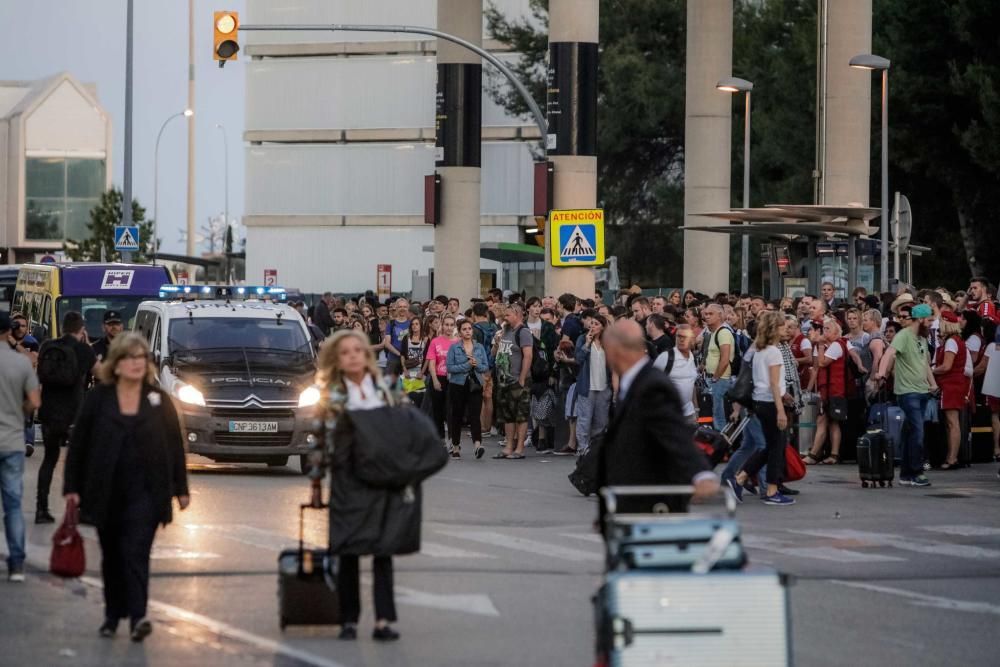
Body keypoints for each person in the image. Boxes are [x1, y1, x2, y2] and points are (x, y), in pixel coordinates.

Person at [63, 333, 190, 640]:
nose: (137, 363)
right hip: (105, 491)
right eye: (130, 357)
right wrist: (72, 486)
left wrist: (181, 489)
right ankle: (112, 615)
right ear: (116, 364)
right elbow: (79, 444)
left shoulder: (158, 400)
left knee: (135, 552)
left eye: (141, 357)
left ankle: (137, 617)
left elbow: (175, 445)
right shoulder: (99, 398)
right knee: (112, 556)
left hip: (146, 493)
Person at [310, 331, 410, 642]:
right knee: (348, 550)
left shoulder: (387, 388)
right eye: (345, 352)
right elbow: (319, 439)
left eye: (358, 350)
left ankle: (383, 621)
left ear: (367, 355)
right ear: (336, 360)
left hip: (383, 480)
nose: (353, 355)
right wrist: (316, 482)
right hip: (347, 480)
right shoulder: (330, 395)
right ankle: (349, 619)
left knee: (383, 551)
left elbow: (406, 428)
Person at [596, 320, 717, 520]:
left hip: (652, 502)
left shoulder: (652, 386)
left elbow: (674, 432)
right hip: (629, 497)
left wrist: (701, 473)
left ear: (617, 350)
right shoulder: (632, 381)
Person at [36, 311, 98, 524]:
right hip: (74, 416)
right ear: (82, 330)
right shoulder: (84, 349)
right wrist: (88, 348)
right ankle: (81, 509)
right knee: (80, 461)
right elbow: (101, 374)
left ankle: (41, 509)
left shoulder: (47, 346)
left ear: (63, 328)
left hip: (48, 413)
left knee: (49, 460)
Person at [874, 303, 938, 487]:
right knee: (918, 432)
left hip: (922, 390)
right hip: (908, 392)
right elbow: (889, 354)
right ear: (920, 319)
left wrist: (932, 383)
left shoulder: (922, 338)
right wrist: (881, 372)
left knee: (910, 432)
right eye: (929, 320)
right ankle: (917, 472)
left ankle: (906, 473)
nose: (931, 324)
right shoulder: (903, 336)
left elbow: (924, 363)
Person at [733, 312, 793, 505]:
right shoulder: (774, 352)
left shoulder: (759, 350)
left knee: (770, 446)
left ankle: (741, 477)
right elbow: (774, 384)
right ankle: (772, 491)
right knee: (776, 447)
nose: (786, 329)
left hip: (760, 401)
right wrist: (781, 410)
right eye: (782, 326)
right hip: (770, 402)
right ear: (774, 329)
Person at [0, 312, 41, 582]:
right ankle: (16, 564)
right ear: (9, 331)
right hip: (13, 441)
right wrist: (19, 411)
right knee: (13, 505)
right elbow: (35, 402)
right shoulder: (21, 363)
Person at [492, 304, 534, 459]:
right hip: (503, 379)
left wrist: (522, 378)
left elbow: (528, 356)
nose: (505, 318)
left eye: (508, 315)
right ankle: (508, 446)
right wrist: (497, 342)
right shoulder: (505, 331)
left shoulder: (523, 332)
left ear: (517, 315)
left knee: (520, 415)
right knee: (507, 415)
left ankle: (519, 448)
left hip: (517, 379)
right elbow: (494, 353)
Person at [445, 321, 489, 459]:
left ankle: (477, 445)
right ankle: (455, 446)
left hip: (475, 384)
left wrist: (476, 364)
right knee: (457, 415)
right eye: (464, 329)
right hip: (458, 384)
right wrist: (467, 365)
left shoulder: (479, 347)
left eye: (469, 328)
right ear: (460, 332)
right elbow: (450, 367)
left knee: (475, 415)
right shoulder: (454, 347)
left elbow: (485, 367)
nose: (468, 331)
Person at [932, 311, 969, 470]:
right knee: (951, 422)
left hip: (951, 385)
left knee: (952, 422)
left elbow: (947, 366)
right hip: (954, 384)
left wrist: (930, 371)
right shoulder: (956, 340)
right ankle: (951, 456)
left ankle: (952, 458)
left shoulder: (951, 342)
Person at [574, 314, 613, 456]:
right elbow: (578, 359)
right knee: (584, 419)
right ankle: (582, 448)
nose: (592, 326)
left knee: (601, 421)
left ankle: (596, 448)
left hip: (604, 387)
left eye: (596, 324)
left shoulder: (607, 342)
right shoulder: (582, 338)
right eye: (591, 323)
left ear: (603, 327)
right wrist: (587, 344)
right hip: (587, 386)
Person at [652, 324, 699, 421]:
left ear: (692, 339)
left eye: (685, 337)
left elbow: (691, 384)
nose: (681, 340)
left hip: (689, 413)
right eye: (679, 336)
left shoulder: (692, 357)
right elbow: (650, 383)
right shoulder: (666, 357)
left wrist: (696, 408)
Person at [702, 303, 735, 432]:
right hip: (715, 379)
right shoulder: (714, 333)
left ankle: (721, 440)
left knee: (719, 416)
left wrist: (715, 378)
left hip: (720, 379)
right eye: (706, 314)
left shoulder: (723, 333)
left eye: (711, 314)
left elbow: (725, 359)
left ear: (720, 315)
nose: (707, 316)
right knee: (715, 414)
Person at [424, 315, 456, 441]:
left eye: (451, 325)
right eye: (446, 324)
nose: (449, 328)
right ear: (442, 326)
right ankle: (440, 437)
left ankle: (453, 439)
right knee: (437, 409)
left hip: (454, 379)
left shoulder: (458, 342)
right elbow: (431, 363)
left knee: (452, 409)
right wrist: (435, 380)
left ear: (454, 327)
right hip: (438, 377)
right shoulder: (435, 341)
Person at [381, 298, 412, 382]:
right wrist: (400, 354)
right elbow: (387, 343)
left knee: (408, 385)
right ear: (396, 308)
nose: (402, 309)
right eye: (400, 307)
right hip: (393, 359)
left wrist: (404, 356)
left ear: (408, 308)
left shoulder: (412, 323)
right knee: (391, 385)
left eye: (404, 307)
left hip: (408, 360)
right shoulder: (391, 324)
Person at [400, 317, 427, 404]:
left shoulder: (425, 339)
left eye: (416, 324)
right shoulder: (406, 338)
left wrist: (422, 372)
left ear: (421, 325)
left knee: (419, 398)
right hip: (408, 372)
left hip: (420, 373)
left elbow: (427, 358)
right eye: (412, 324)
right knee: (407, 398)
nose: (414, 326)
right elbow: (402, 355)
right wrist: (404, 370)